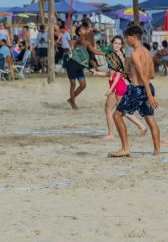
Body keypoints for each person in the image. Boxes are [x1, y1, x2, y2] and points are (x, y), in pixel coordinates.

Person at [110, 24, 160, 157]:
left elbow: (143, 76)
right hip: (148, 87)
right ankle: (156, 151)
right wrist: (129, 70)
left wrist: (149, 96)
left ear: (133, 37)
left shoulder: (135, 54)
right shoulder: (147, 52)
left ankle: (125, 148)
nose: (125, 40)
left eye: (126, 38)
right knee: (150, 119)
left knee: (117, 115)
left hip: (138, 90)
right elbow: (152, 75)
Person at [103, 36, 148, 139]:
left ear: (121, 45)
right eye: (115, 43)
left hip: (117, 86)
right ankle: (142, 126)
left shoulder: (118, 56)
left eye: (119, 43)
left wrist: (111, 89)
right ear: (112, 43)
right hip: (117, 85)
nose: (117, 45)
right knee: (121, 110)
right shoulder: (113, 55)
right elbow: (111, 73)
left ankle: (111, 134)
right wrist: (96, 73)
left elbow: (118, 75)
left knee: (109, 109)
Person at [65, 24, 102, 110]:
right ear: (79, 32)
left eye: (85, 29)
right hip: (72, 65)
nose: (85, 30)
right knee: (73, 84)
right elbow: (77, 40)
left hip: (80, 66)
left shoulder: (86, 42)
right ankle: (73, 104)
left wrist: (107, 54)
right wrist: (74, 32)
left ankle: (71, 99)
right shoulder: (78, 40)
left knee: (83, 85)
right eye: (83, 29)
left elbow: (94, 51)